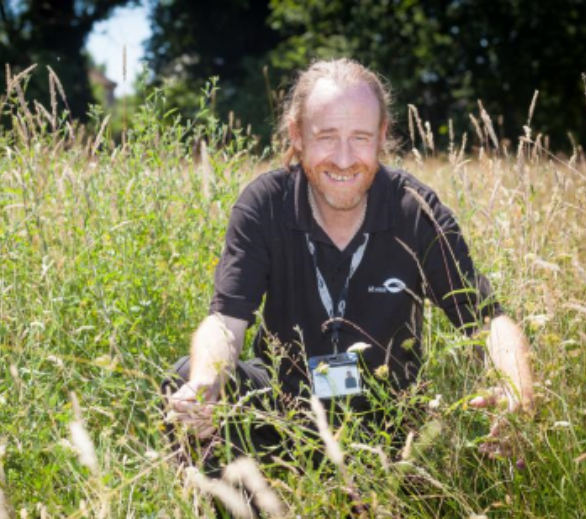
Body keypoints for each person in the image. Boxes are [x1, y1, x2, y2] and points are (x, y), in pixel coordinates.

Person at [164, 58, 534, 459]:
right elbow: (225, 322)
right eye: (326, 136)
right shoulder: (265, 205)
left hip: (387, 415)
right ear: (297, 135)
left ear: (381, 136)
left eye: (360, 137)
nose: (343, 159)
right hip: (282, 405)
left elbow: (487, 319)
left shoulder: (415, 211)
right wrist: (205, 382)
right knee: (185, 380)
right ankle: (240, 496)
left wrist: (518, 388)